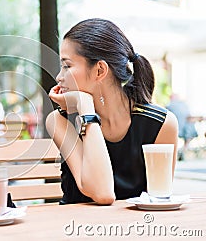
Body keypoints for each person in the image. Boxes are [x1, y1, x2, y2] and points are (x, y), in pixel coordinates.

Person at [45, 18, 178, 205]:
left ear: (99, 70)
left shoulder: (160, 124)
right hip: (74, 229)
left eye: (67, 66)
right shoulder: (60, 120)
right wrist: (85, 107)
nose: (59, 77)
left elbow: (158, 199)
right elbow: (103, 193)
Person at [166, 94, 198, 161]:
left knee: (189, 126)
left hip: (176, 128)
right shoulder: (183, 105)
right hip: (183, 128)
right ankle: (184, 149)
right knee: (190, 127)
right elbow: (189, 117)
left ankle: (183, 150)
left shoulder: (169, 106)